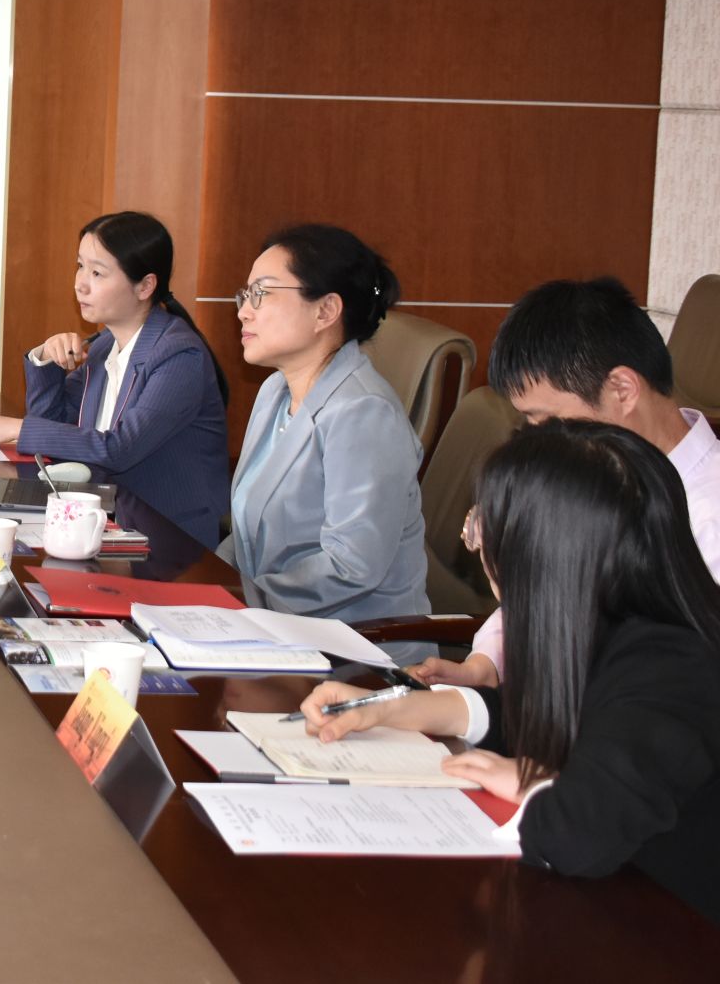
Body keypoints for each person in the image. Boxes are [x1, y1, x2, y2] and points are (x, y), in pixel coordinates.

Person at [300, 421, 720, 925]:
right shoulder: (613, 618)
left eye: (485, 530)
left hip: (669, 930)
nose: (481, 550)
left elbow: (580, 831)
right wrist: (414, 708)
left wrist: (532, 783)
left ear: (543, 555)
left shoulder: (672, 666)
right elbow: (556, 719)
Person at [414, 276, 720, 687]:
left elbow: (670, 678)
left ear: (622, 390)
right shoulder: (602, 476)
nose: (538, 438)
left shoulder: (708, 518)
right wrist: (487, 663)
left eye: (546, 419)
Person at [218, 223, 429, 630]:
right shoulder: (275, 390)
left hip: (355, 643)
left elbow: (351, 565)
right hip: (274, 624)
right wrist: (205, 586)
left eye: (262, 293)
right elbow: (246, 536)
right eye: (245, 295)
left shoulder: (363, 412)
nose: (244, 310)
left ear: (326, 311)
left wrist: (240, 602)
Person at [0, 211, 229, 546]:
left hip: (167, 538)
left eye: (97, 272)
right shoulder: (105, 344)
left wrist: (15, 429)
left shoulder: (179, 356)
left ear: (145, 286)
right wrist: (46, 360)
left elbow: (118, 448)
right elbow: (53, 425)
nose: (80, 283)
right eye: (80, 266)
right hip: (105, 521)